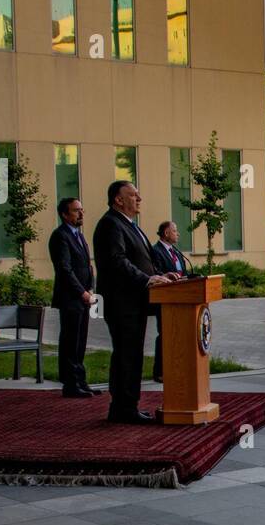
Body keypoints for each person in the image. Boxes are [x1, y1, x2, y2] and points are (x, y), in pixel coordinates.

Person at [91, 181, 180, 423]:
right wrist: (147, 279)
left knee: (132, 354)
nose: (139, 199)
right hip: (121, 302)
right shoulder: (111, 224)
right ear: (118, 200)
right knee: (126, 355)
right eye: (133, 195)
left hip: (135, 302)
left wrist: (162, 274)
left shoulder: (131, 225)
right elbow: (117, 261)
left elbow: (145, 260)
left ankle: (127, 405)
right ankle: (122, 407)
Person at [48, 197, 96, 398]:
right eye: (76, 211)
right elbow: (65, 269)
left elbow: (86, 265)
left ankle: (80, 380)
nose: (81, 214)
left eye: (82, 210)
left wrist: (91, 288)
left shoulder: (79, 236)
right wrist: (81, 292)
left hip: (84, 296)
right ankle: (70, 383)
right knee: (70, 340)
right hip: (71, 297)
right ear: (64, 214)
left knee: (81, 340)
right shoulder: (61, 236)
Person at [150, 220, 192, 382]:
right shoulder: (156, 251)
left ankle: (176, 367)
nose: (178, 234)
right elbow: (156, 272)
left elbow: (182, 271)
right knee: (165, 334)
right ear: (166, 233)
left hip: (181, 298)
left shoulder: (175, 251)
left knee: (178, 335)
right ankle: (160, 371)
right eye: (175, 231)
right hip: (166, 299)